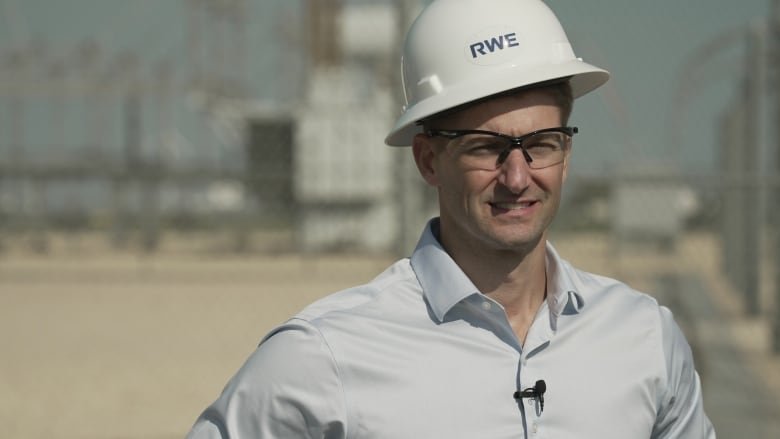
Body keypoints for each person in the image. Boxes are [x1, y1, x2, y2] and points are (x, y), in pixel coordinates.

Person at [186, 0, 715, 437]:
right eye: (487, 148)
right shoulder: (322, 358)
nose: (517, 176)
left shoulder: (644, 338)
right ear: (428, 160)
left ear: (566, 153)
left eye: (541, 144)